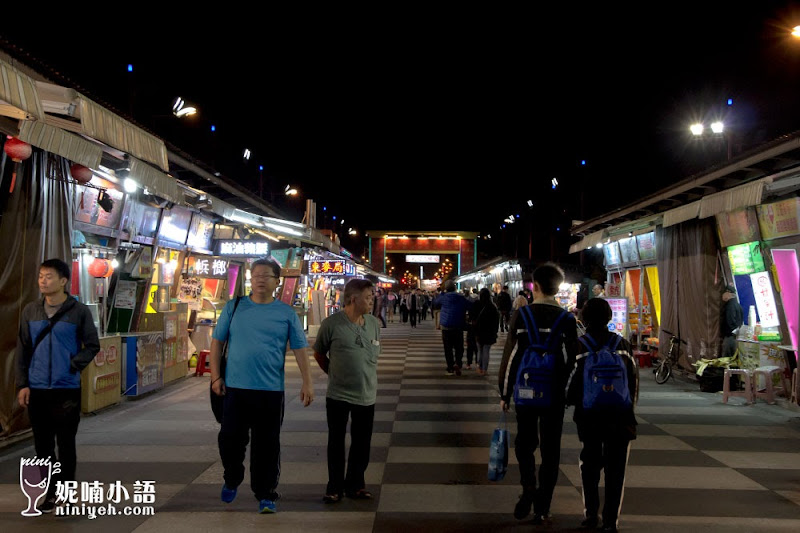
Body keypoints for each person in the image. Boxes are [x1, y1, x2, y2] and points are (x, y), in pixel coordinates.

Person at [210, 258, 314, 514]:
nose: (259, 279)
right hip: (235, 388)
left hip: (270, 391)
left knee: (267, 445)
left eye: (266, 275)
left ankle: (265, 494)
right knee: (229, 439)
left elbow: (300, 349)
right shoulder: (234, 307)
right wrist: (215, 377)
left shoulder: (286, 313)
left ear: (277, 282)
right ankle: (232, 477)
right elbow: (216, 343)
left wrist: (307, 382)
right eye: (255, 275)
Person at [15, 258, 100, 513]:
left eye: (49, 276)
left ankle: (66, 492)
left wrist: (73, 365)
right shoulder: (30, 311)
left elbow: (92, 345)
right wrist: (23, 384)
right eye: (41, 276)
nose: (43, 280)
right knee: (42, 446)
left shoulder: (79, 311)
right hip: (38, 388)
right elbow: (23, 350)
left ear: (63, 281)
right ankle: (50, 493)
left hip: (66, 388)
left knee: (65, 443)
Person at [498, 263, 579, 525]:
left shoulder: (522, 316)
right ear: (557, 287)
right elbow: (573, 360)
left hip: (526, 391)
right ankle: (543, 507)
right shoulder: (567, 319)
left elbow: (512, 357)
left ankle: (528, 486)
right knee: (551, 449)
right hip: (554, 394)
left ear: (536, 286)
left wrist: (505, 393)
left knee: (524, 444)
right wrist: (568, 393)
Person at [566, 297, 638, 533]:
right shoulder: (623, 345)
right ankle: (610, 521)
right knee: (616, 470)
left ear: (584, 319)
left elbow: (571, 385)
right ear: (609, 318)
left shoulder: (580, 346)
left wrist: (570, 402)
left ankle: (590, 515)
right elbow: (633, 383)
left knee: (590, 465)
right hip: (620, 417)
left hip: (590, 417)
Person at [313, 279, 381, 503]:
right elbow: (319, 353)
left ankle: (356, 484)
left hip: (366, 393)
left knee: (362, 443)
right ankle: (334, 487)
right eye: (368, 297)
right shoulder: (332, 324)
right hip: (338, 395)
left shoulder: (373, 323)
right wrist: (333, 373)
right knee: (336, 441)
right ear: (354, 299)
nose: (372, 300)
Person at [433, 281, 472, 375]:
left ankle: (450, 367)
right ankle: (458, 363)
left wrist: (442, 293)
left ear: (446, 288)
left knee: (448, 348)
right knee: (459, 347)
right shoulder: (461, 297)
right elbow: (470, 306)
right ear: (454, 288)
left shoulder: (443, 297)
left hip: (446, 327)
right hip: (458, 326)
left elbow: (435, 303)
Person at [473, 288, 500, 375]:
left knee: (480, 350)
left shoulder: (477, 304)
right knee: (486, 351)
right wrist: (495, 332)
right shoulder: (492, 307)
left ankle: (479, 367)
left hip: (479, 332)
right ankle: (485, 369)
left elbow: (472, 316)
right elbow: (496, 321)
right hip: (489, 333)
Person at [721, 284, 743, 358]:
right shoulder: (738, 305)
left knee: (727, 359)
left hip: (730, 337)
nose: (722, 296)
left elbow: (730, 321)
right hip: (736, 336)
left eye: (723, 293)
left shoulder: (730, 305)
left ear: (728, 293)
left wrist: (731, 332)